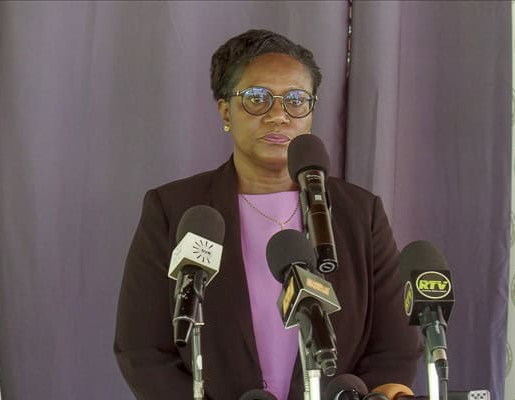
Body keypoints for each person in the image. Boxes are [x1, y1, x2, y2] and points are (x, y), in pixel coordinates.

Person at [114, 29, 421, 399]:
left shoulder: (360, 213)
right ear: (225, 110)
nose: (278, 115)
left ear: (310, 112)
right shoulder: (174, 209)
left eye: (296, 100)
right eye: (257, 99)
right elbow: (142, 349)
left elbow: (395, 348)